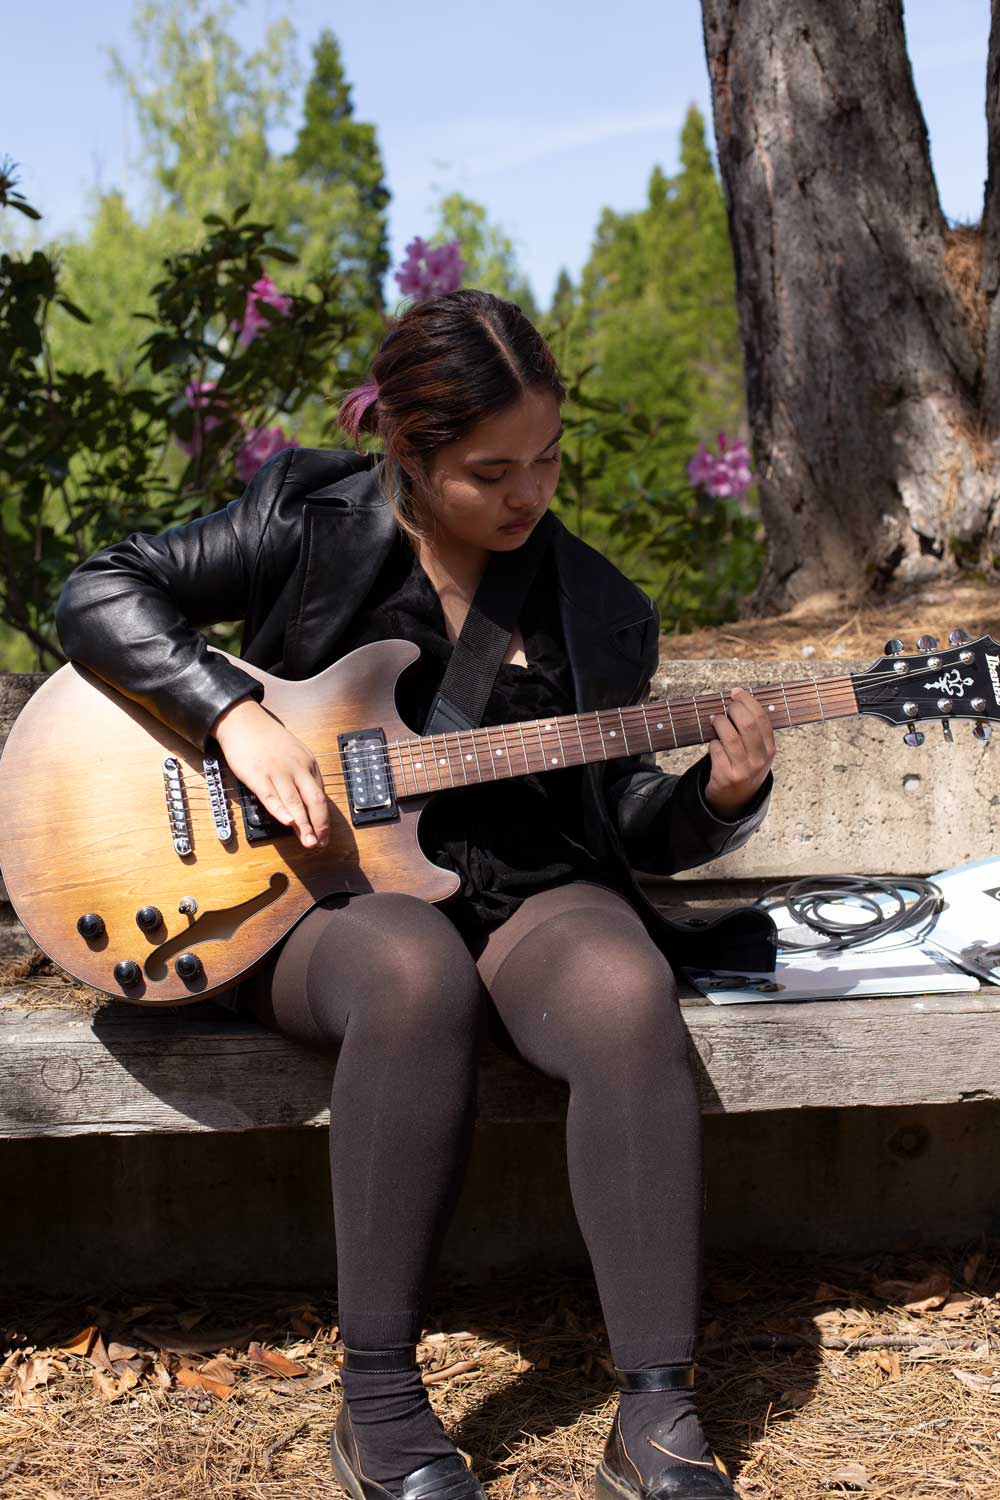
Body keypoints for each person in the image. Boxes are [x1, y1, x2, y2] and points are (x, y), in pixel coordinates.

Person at [54, 289, 776, 1500]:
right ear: (409, 449)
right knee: (408, 968)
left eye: (546, 459)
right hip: (308, 899)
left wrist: (717, 793)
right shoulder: (312, 515)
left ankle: (655, 1406)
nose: (526, 494)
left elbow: (622, 816)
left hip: (519, 890)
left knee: (620, 985)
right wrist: (231, 717)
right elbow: (100, 592)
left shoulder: (596, 608)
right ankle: (379, 1404)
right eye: (489, 470)